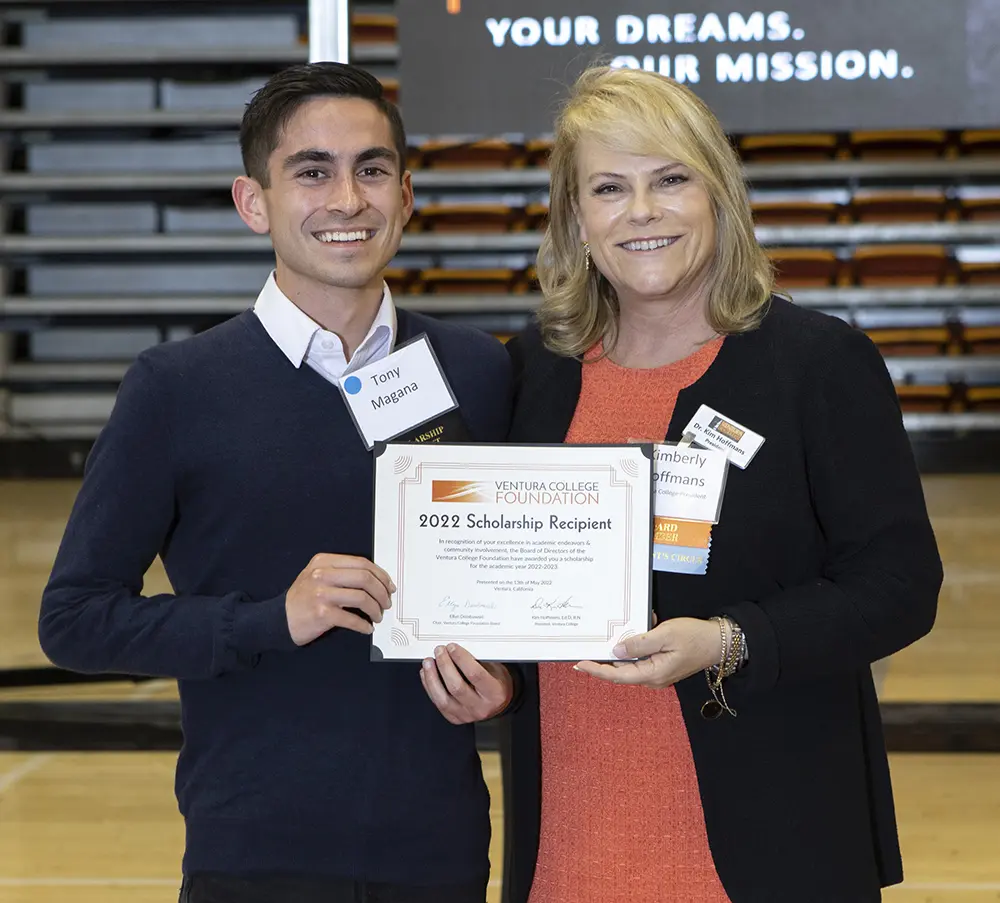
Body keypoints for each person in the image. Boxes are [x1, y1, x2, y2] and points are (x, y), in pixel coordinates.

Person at [38, 62, 514, 903]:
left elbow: (523, 589)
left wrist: (506, 681)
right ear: (252, 201)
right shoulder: (176, 387)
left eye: (371, 170)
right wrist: (269, 620)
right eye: (312, 171)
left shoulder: (477, 371)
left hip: (437, 847)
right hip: (254, 852)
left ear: (405, 195)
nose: (347, 199)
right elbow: (75, 620)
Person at [501, 66, 942, 903]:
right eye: (609, 187)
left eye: (671, 179)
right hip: (570, 835)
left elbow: (900, 587)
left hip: (771, 835)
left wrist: (730, 641)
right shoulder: (531, 375)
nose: (643, 211)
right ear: (576, 218)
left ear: (718, 195)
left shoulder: (818, 364)